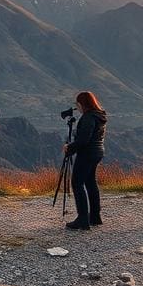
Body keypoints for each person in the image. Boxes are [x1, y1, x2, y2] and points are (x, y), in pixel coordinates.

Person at [62, 91, 107, 230]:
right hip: (97, 152)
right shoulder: (99, 116)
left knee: (77, 183)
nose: (77, 107)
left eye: (78, 104)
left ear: (83, 104)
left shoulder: (88, 118)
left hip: (87, 154)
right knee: (90, 183)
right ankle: (95, 216)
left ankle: (82, 219)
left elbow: (83, 140)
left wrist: (69, 148)